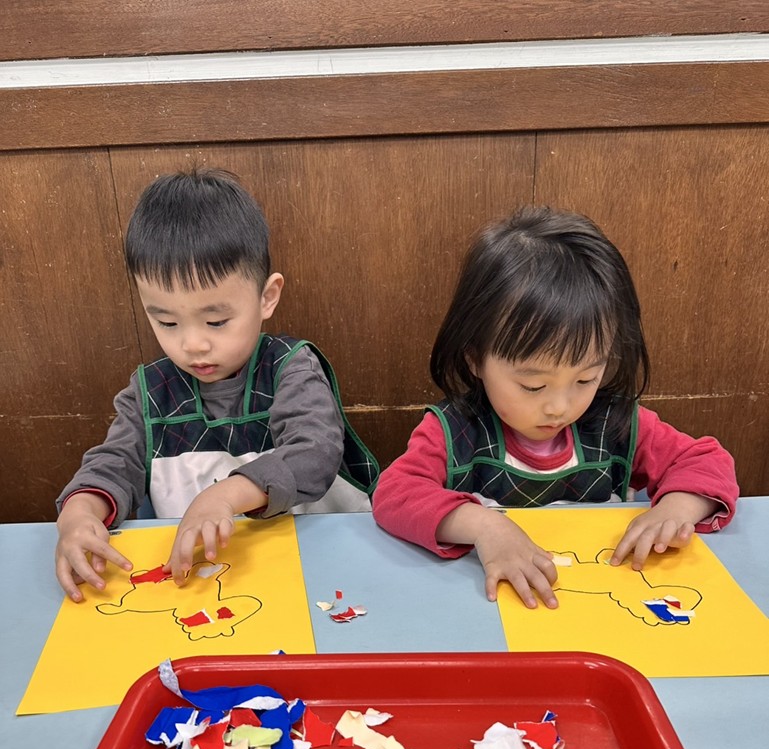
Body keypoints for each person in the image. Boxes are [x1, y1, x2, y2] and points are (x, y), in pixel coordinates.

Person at [372, 206, 738, 610]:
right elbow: (394, 494)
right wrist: (484, 526)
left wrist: (676, 508)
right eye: (533, 385)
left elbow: (707, 461)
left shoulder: (616, 423)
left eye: (585, 379)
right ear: (475, 358)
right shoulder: (456, 430)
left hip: (596, 609)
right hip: (488, 610)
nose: (560, 407)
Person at [56, 168, 378, 601]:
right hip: (208, 582)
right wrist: (79, 515)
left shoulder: (290, 368)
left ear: (267, 297)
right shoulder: (150, 393)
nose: (192, 344)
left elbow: (315, 452)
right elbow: (113, 464)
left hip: (319, 566)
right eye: (166, 322)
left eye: (216, 321)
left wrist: (226, 495)